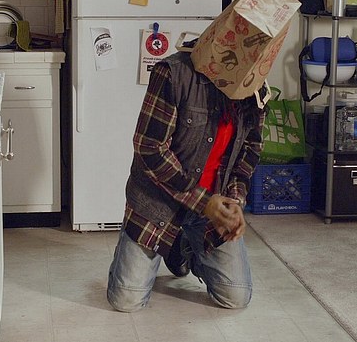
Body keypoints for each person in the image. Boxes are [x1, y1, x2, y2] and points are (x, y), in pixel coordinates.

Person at [106, 47, 267, 312]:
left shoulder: (255, 85)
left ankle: (181, 247)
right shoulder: (174, 73)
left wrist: (234, 201)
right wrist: (203, 202)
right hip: (158, 203)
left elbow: (251, 150)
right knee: (126, 300)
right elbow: (149, 148)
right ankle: (153, 243)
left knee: (236, 296)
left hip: (213, 204)